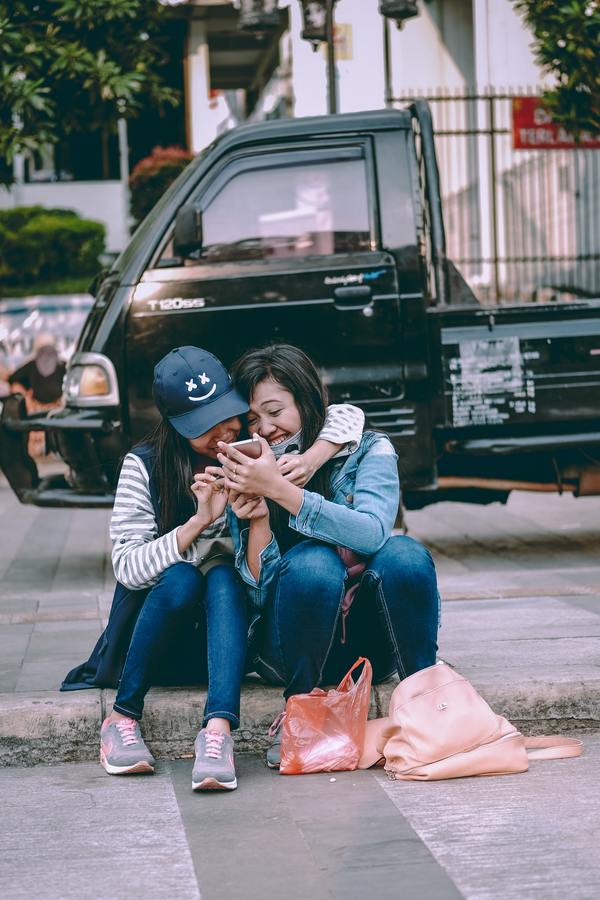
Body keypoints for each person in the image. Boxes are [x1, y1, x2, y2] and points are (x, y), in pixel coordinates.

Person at [62, 345, 364, 791]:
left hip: (226, 647)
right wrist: (198, 523)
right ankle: (121, 719)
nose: (222, 431)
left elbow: (346, 415)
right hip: (155, 639)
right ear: (175, 426)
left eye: (228, 413)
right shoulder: (143, 467)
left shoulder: (256, 457)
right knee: (186, 575)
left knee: (222, 573)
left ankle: (217, 731)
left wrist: (309, 459)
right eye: (202, 427)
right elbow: (128, 569)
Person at [211, 344, 440, 768]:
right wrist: (259, 518)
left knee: (404, 553)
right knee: (315, 562)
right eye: (253, 419)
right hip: (288, 652)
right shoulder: (248, 468)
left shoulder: (367, 450)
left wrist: (285, 492)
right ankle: (299, 713)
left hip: (369, 644)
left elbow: (372, 532)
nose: (266, 429)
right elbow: (260, 596)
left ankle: (429, 700)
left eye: (276, 411)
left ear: (307, 400)